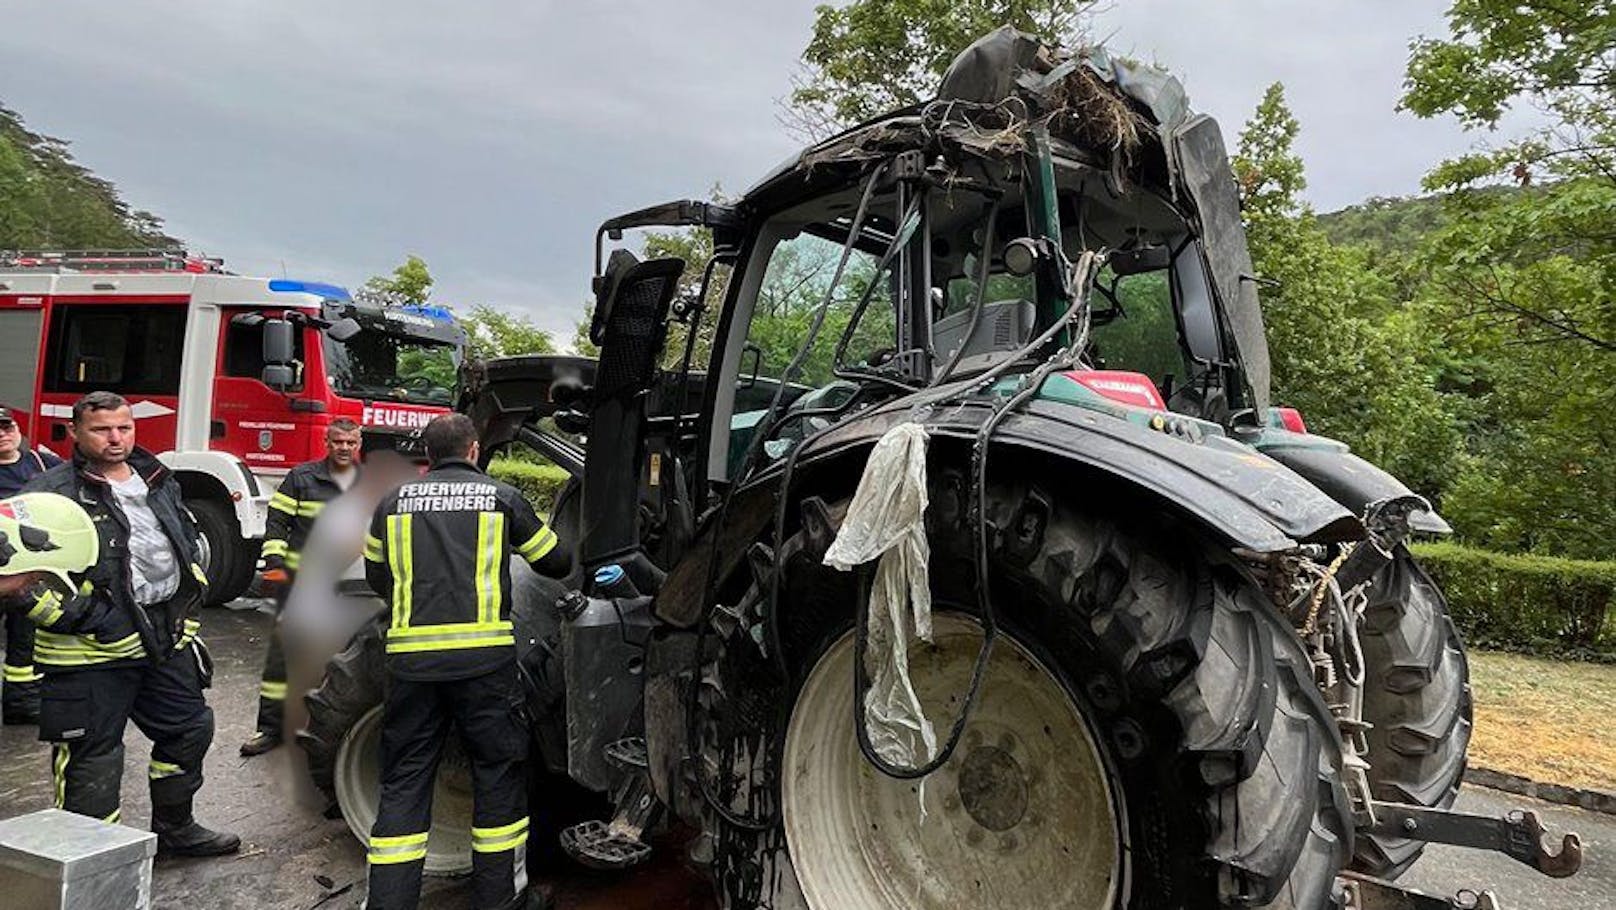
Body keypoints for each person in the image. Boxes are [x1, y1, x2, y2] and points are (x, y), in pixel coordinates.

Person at [362, 413, 568, 910]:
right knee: (497, 775)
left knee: (406, 780)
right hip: (485, 668)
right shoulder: (502, 498)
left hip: (412, 667)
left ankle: (389, 903)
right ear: (474, 450)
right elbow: (556, 563)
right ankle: (500, 900)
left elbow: (376, 576)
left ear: (428, 456)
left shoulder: (391, 504)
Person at [21, 391, 239, 855]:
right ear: (75, 433)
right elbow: (17, 579)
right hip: (88, 656)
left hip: (162, 642)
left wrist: (189, 600)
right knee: (94, 760)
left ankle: (175, 831)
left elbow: (179, 538)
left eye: (124, 427)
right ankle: (95, 863)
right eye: (101, 430)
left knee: (189, 730)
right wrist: (92, 619)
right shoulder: (50, 493)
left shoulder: (157, 477)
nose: (115, 438)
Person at [243, 417, 363, 757]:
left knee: (340, 659)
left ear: (358, 444)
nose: (343, 447)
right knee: (284, 658)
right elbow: (278, 521)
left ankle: (325, 735)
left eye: (349, 442)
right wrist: (275, 566)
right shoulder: (303, 478)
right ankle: (270, 730)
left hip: (352, 586)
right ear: (327, 442)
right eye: (337, 441)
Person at [0, 407, 63, 724]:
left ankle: (20, 703)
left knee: (26, 638)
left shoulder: (42, 463)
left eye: (6, 426)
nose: (1, 433)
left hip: (28, 570)